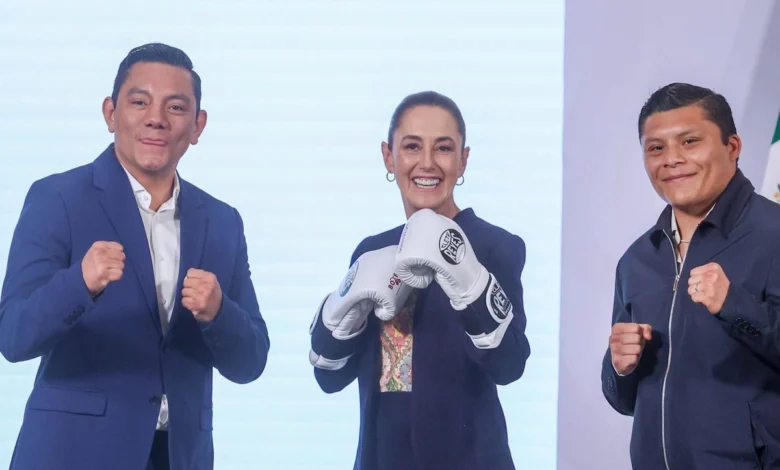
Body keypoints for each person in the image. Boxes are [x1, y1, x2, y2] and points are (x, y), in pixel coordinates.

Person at [0, 43, 270, 470]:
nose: (156, 118)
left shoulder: (222, 221)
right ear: (110, 113)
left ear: (197, 125)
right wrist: (79, 284)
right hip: (74, 454)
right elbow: (13, 337)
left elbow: (250, 362)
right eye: (140, 102)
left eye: (175, 107)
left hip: (179, 456)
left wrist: (218, 312)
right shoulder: (57, 198)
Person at [308, 91, 531, 470]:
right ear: (388, 156)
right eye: (412, 146)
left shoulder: (494, 246)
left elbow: (509, 366)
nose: (427, 163)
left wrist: (470, 282)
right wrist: (340, 316)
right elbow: (329, 379)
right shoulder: (372, 251)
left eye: (443, 148)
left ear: (463, 160)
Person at [601, 82, 780, 470]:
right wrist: (619, 367)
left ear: (732, 147)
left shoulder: (775, 235)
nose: (671, 160)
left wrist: (734, 306)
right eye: (656, 148)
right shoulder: (637, 259)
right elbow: (625, 401)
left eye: (689, 141)